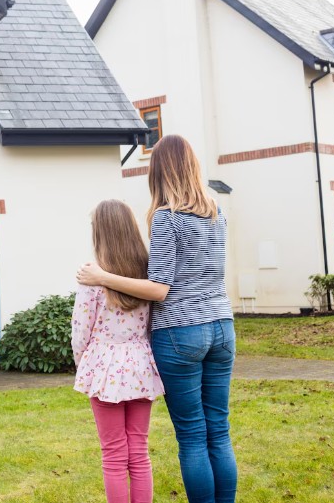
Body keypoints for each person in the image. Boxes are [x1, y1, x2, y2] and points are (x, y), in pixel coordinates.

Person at [77, 134, 237, 503]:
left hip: (182, 332)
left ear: (160, 172)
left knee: (194, 435)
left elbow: (160, 289)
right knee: (220, 430)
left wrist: (102, 277)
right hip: (222, 327)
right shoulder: (217, 212)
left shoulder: (167, 217)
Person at [72, 199, 165, 503]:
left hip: (104, 368)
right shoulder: (145, 275)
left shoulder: (92, 278)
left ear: (100, 232)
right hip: (140, 365)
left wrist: (82, 365)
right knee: (138, 450)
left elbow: (80, 333)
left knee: (113, 453)